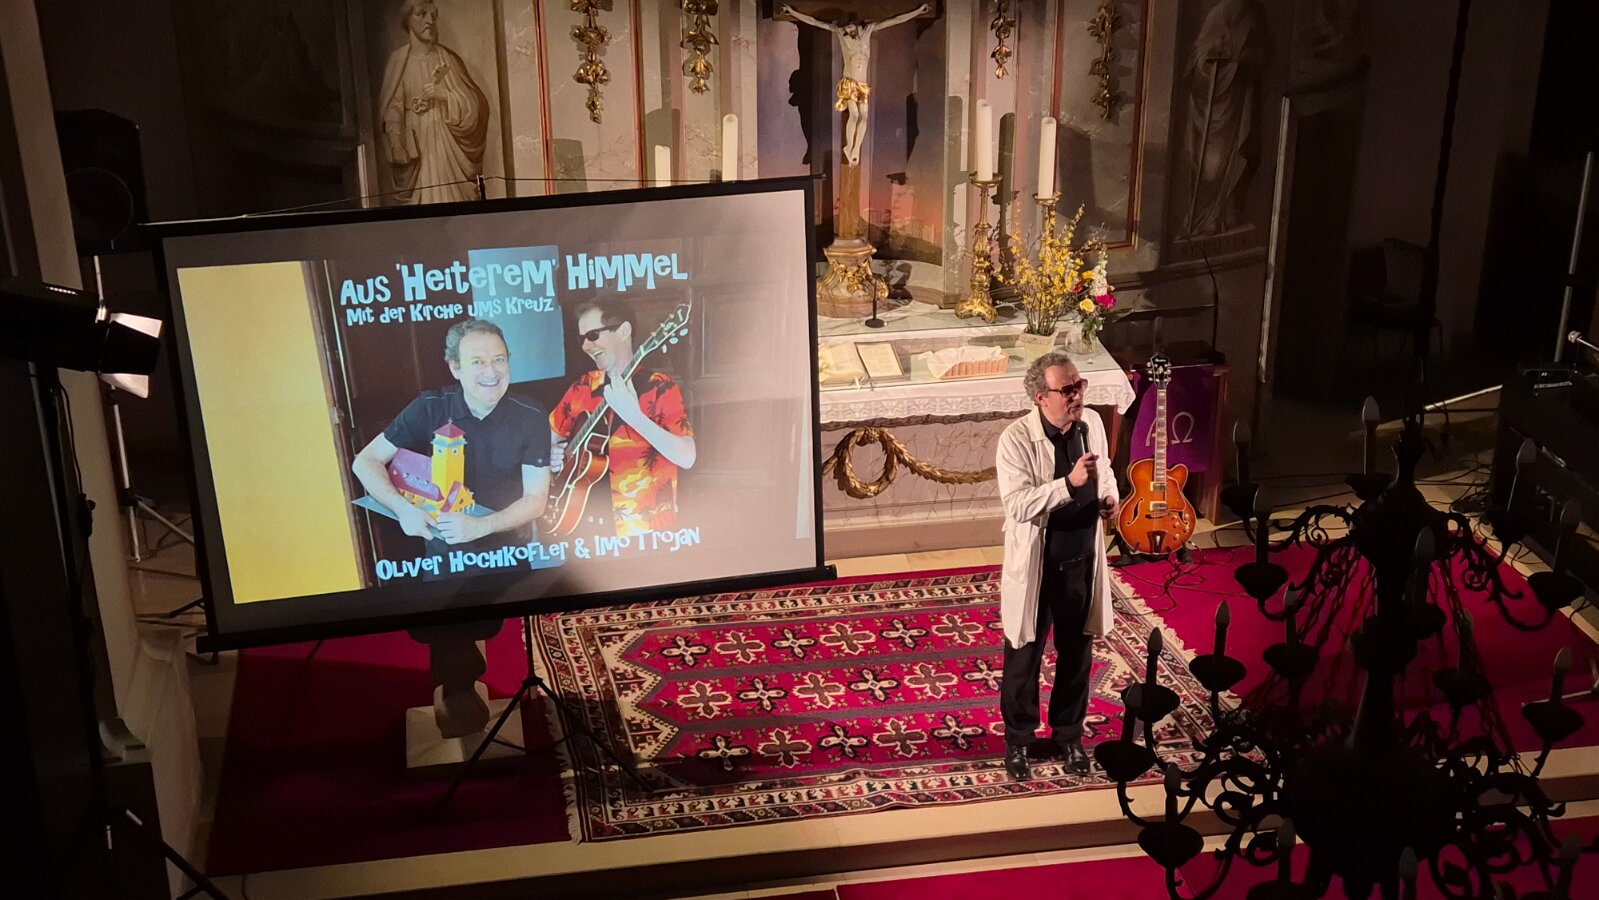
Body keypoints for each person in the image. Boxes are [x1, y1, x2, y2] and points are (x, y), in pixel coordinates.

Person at [994, 351, 1119, 781]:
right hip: (1040, 564)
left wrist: (1109, 497)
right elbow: (1017, 504)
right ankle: (1019, 741)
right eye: (1067, 389)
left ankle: (1069, 736)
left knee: (1077, 656)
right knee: (1024, 657)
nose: (1077, 395)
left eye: (1079, 385)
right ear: (1040, 397)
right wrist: (1068, 484)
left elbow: (1107, 472)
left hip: (1081, 560)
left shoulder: (1092, 425)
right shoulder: (1015, 439)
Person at [352, 319, 550, 561]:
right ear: (455, 368)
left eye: (499, 360)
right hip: (445, 559)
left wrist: (482, 526)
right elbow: (365, 461)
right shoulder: (429, 408)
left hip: (510, 556)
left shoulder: (531, 415)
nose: (491, 372)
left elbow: (535, 500)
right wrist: (403, 509)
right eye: (477, 362)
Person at [549, 299, 696, 539]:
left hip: (644, 529)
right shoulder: (583, 386)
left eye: (593, 335)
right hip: (583, 528)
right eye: (582, 338)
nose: (586, 346)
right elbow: (548, 439)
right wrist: (553, 455)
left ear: (624, 331)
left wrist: (634, 417)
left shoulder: (658, 386)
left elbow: (687, 457)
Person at [781, 3, 931, 166]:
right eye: (846, 29)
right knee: (854, 115)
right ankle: (849, 148)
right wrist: (792, 12)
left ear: (856, 24)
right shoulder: (841, 33)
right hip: (849, 82)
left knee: (864, 116)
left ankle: (854, 149)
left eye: (850, 28)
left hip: (862, 84)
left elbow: (895, 20)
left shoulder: (869, 30)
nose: (848, 31)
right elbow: (815, 22)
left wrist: (917, 11)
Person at [379, 0, 489, 205]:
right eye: (421, 14)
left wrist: (444, 95)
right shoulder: (399, 61)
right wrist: (396, 144)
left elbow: (473, 104)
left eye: (433, 15)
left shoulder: (447, 59)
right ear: (408, 20)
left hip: (446, 149)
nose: (430, 20)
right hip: (417, 146)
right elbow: (393, 108)